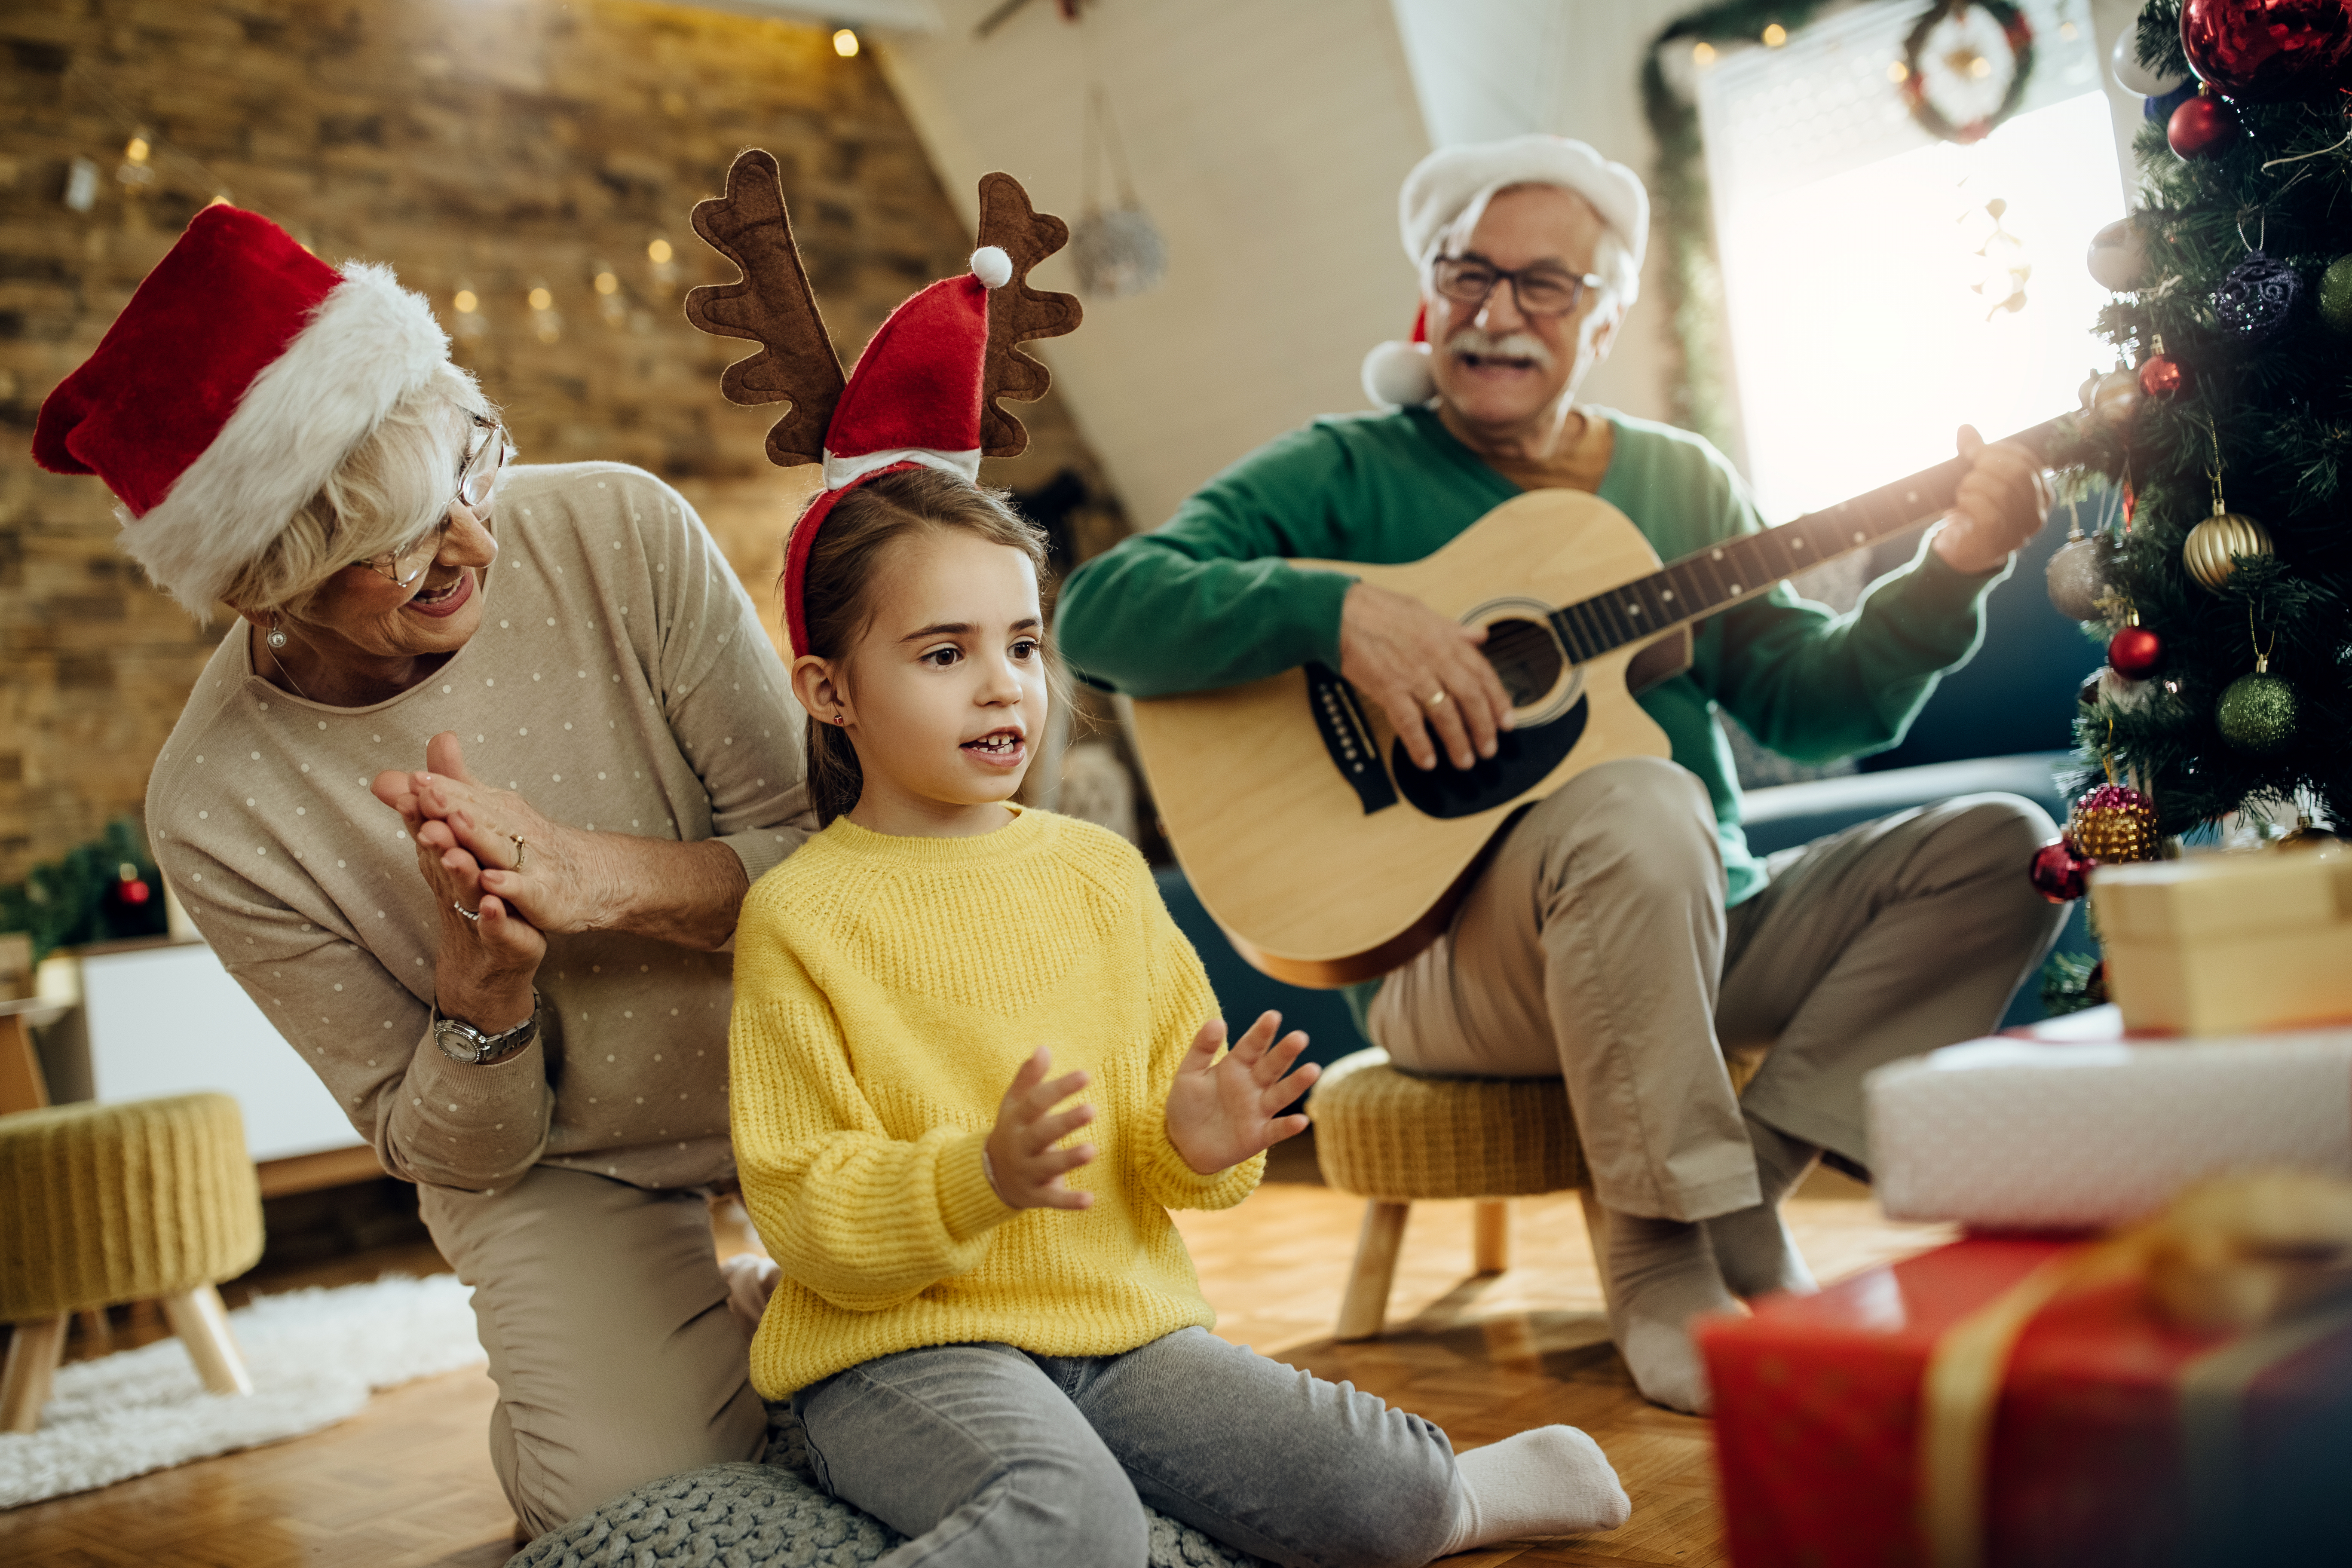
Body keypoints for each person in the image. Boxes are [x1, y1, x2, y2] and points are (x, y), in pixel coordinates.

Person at [1054, 135, 2072, 1415]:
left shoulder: (1677, 479)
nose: (1495, 312)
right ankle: (1657, 1261)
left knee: (2009, 842)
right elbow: (1101, 609)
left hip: (1701, 925)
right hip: (1460, 969)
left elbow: (1816, 709)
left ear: (1608, 316)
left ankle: (1745, 1187)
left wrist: (1956, 568)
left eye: (1545, 286)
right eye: (1467, 272)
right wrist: (1337, 614)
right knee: (1643, 804)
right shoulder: (1345, 471)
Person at [724, 204, 1633, 1566]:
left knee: (1382, 1496)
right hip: (896, 1346)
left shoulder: (1099, 874)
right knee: (1074, 1524)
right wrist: (977, 1176)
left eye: (1023, 645)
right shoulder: (801, 915)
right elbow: (806, 1210)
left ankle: (1470, 1494)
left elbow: (1164, 1161)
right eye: (942, 653)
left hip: (1119, 1326)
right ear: (828, 691)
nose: (1003, 687)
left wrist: (1198, 1143)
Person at [32, 202, 814, 1534]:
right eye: (396, 542)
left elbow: (832, 868)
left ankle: (757, 1334)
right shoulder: (215, 806)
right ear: (259, 588)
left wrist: (594, 877)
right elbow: (442, 1148)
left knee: (1024, 1357)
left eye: (472, 470)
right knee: (632, 1505)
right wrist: (484, 999)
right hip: (569, 1169)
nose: (473, 543)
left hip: (816, 1069)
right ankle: (715, 1348)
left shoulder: (625, 532)